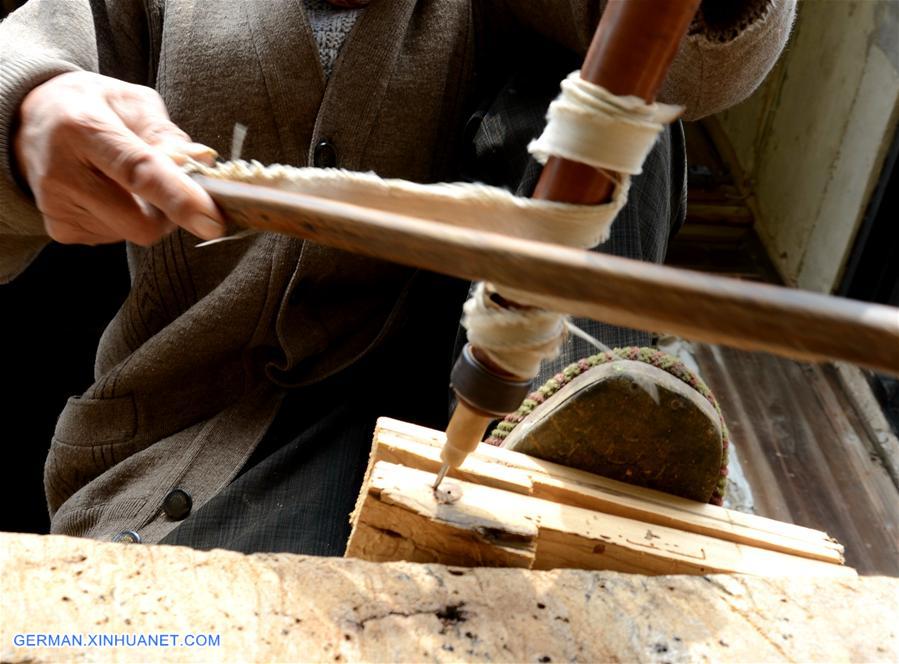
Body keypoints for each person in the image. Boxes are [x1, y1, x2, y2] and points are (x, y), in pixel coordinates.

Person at [0, 0, 796, 553]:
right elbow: (25, 57)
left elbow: (697, 61)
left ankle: (576, 436)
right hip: (205, 448)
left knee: (618, 101)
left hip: (493, 434)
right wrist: (25, 110)